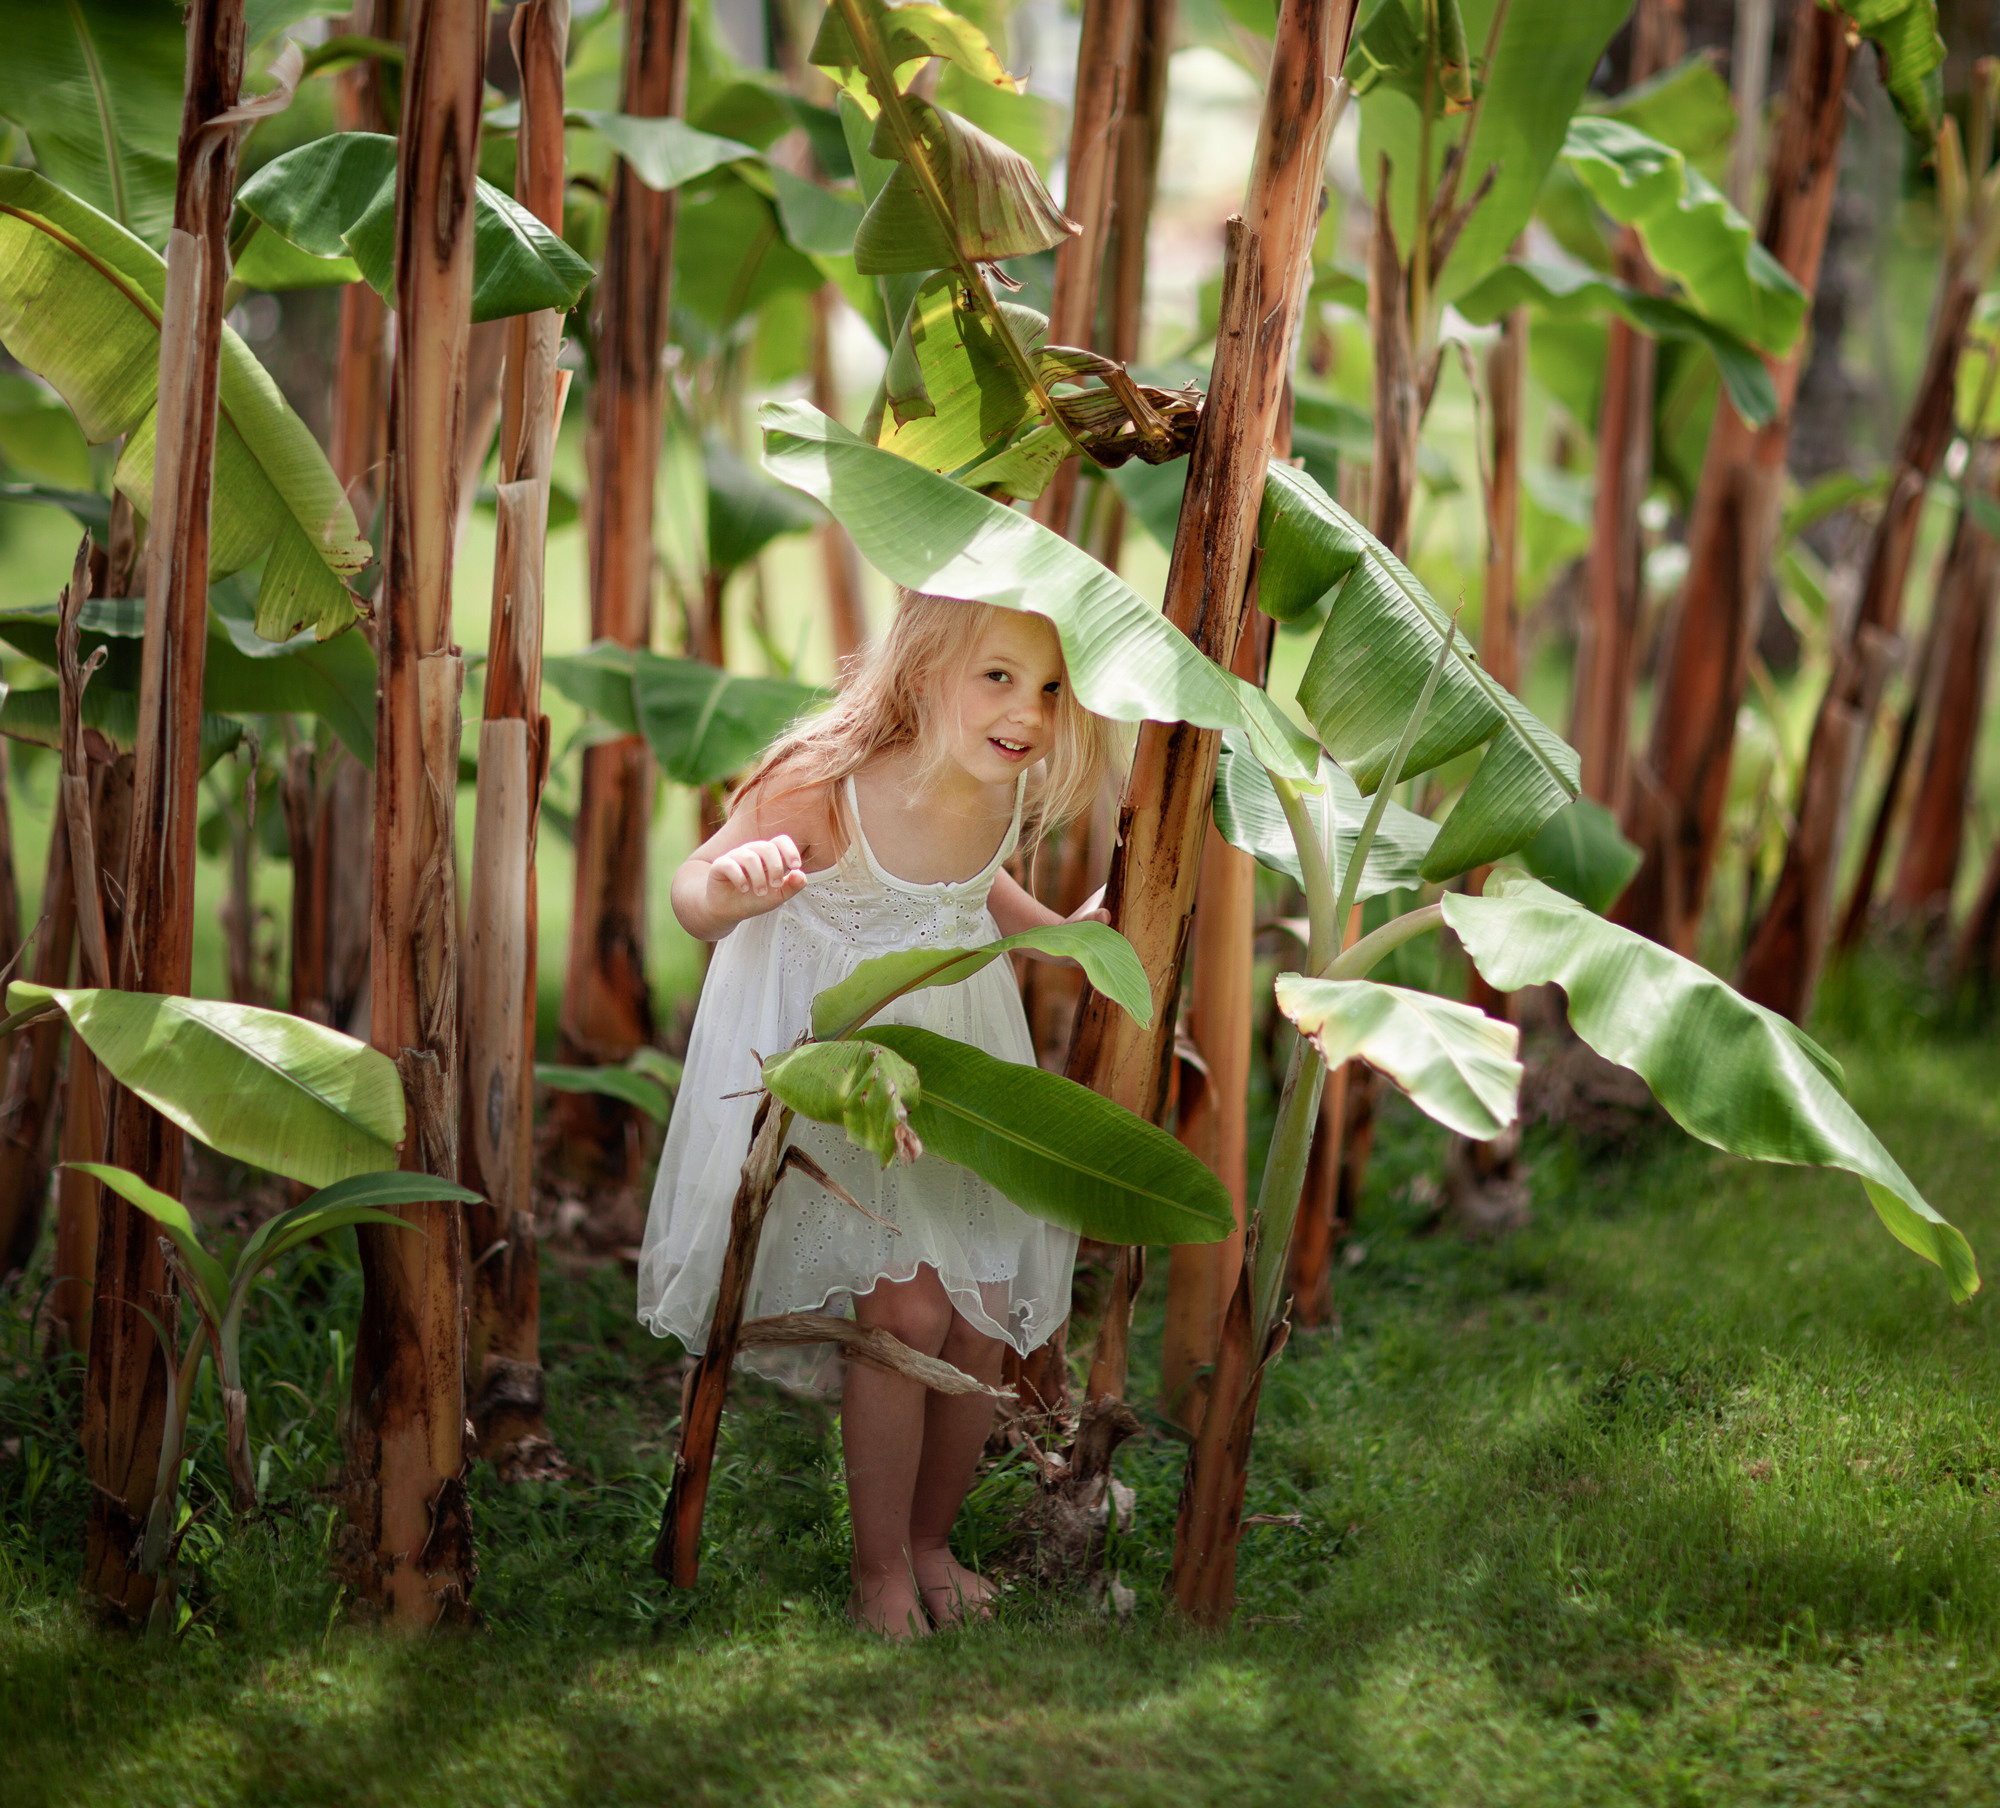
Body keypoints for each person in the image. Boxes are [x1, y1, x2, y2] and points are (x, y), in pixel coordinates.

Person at [636, 589, 1123, 1638]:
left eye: (1048, 687)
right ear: (920, 671)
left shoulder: (997, 785)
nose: (1028, 712)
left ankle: (932, 1543)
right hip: (846, 1071)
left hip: (956, 1062)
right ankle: (876, 1572)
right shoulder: (823, 779)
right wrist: (736, 885)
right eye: (997, 677)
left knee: (981, 1313)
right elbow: (688, 891)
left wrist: (1054, 934)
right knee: (901, 1312)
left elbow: (969, 889)